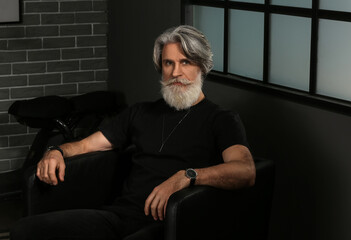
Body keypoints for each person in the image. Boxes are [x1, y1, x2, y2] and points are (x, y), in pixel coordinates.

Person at [11, 25, 255, 240]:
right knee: (26, 230)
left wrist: (187, 176)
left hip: (171, 223)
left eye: (186, 62)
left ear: (202, 67)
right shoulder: (141, 112)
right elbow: (86, 145)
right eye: (169, 63)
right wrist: (56, 151)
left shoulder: (221, 119)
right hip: (119, 216)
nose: (176, 73)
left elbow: (245, 171)